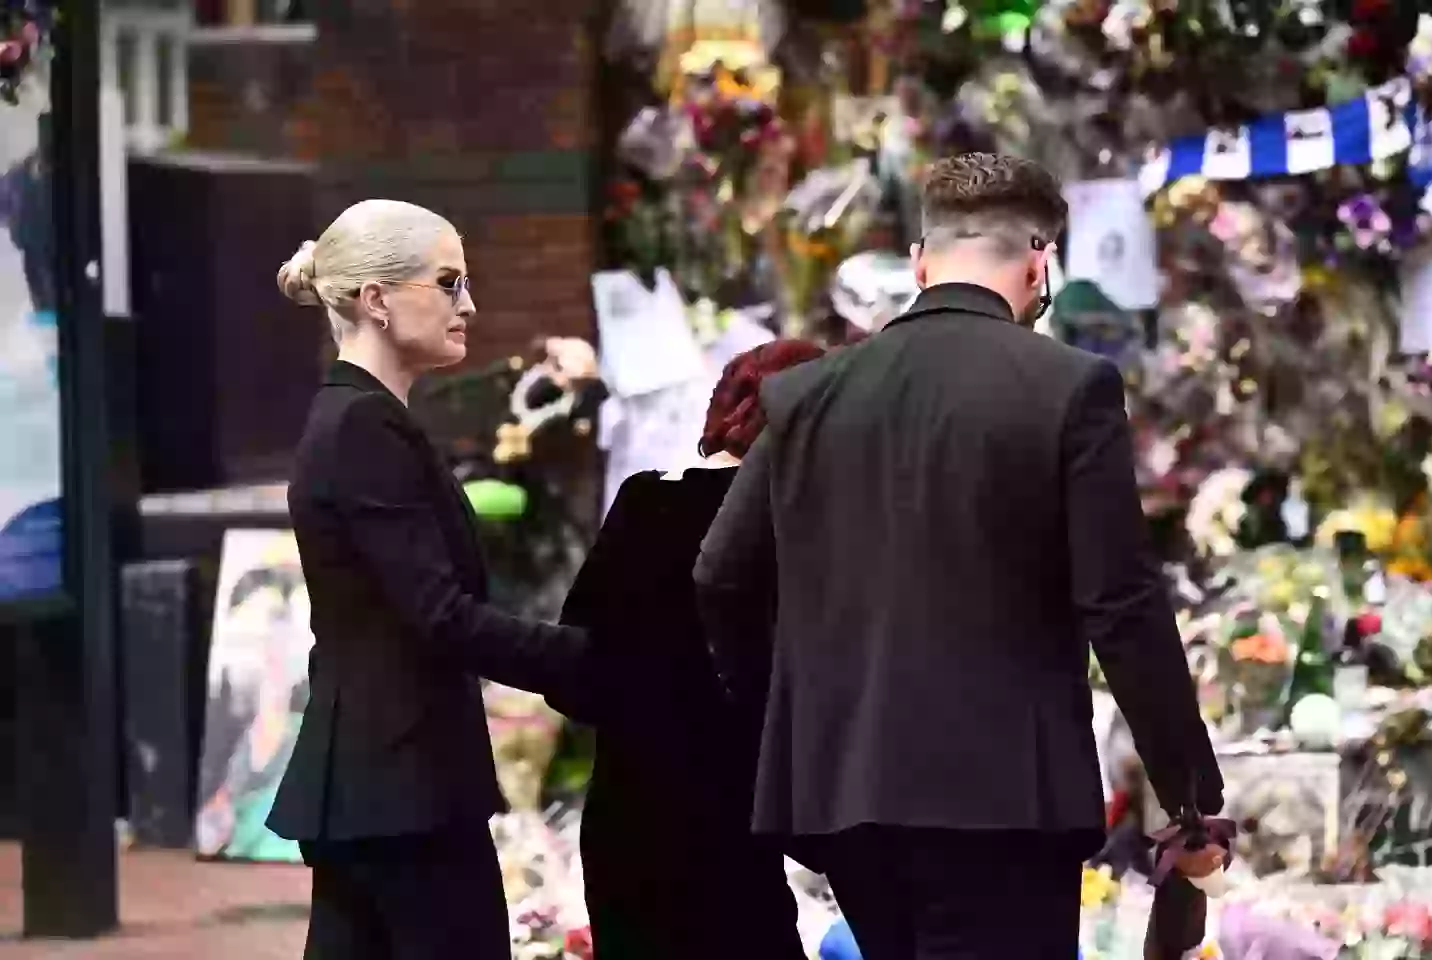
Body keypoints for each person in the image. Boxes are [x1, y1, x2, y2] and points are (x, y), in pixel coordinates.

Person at [694, 154, 1225, 959]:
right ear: (1040, 264)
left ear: (919, 262)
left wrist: (795, 721)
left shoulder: (807, 395)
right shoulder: (1068, 386)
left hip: (845, 790)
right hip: (1007, 795)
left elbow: (720, 574)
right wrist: (1185, 785)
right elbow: (1119, 601)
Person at [267, 199, 592, 960]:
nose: (469, 305)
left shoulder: (363, 418)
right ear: (375, 300)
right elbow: (440, 613)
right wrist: (586, 658)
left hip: (380, 782)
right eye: (449, 283)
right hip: (401, 786)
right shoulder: (361, 426)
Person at [558, 339, 823, 960]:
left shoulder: (641, 499)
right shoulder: (785, 522)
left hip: (625, 813)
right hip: (731, 821)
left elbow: (573, 663)